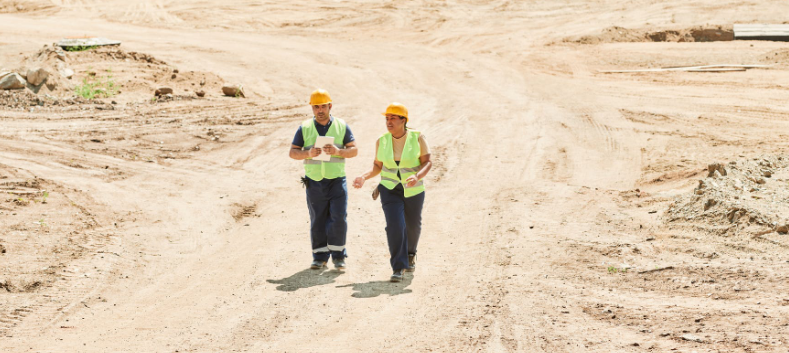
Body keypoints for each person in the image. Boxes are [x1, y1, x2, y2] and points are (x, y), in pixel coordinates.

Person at [353, 102, 431, 282]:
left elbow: (427, 162)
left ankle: (410, 254)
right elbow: (378, 166)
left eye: (393, 118)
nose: (389, 122)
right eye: (387, 118)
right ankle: (398, 266)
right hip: (389, 188)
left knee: (412, 225)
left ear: (403, 120)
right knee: (395, 225)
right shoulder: (382, 140)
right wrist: (364, 176)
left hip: (413, 188)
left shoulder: (418, 137)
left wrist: (417, 177)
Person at [289, 89, 357, 270]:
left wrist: (338, 151)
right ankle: (319, 257)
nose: (320, 110)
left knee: (339, 217)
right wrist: (308, 153)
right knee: (318, 218)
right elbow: (293, 152)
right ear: (312, 108)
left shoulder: (342, 126)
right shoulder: (304, 128)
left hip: (337, 180)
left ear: (330, 106)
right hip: (315, 181)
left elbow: (354, 150)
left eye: (323, 106)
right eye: (316, 107)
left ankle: (338, 256)